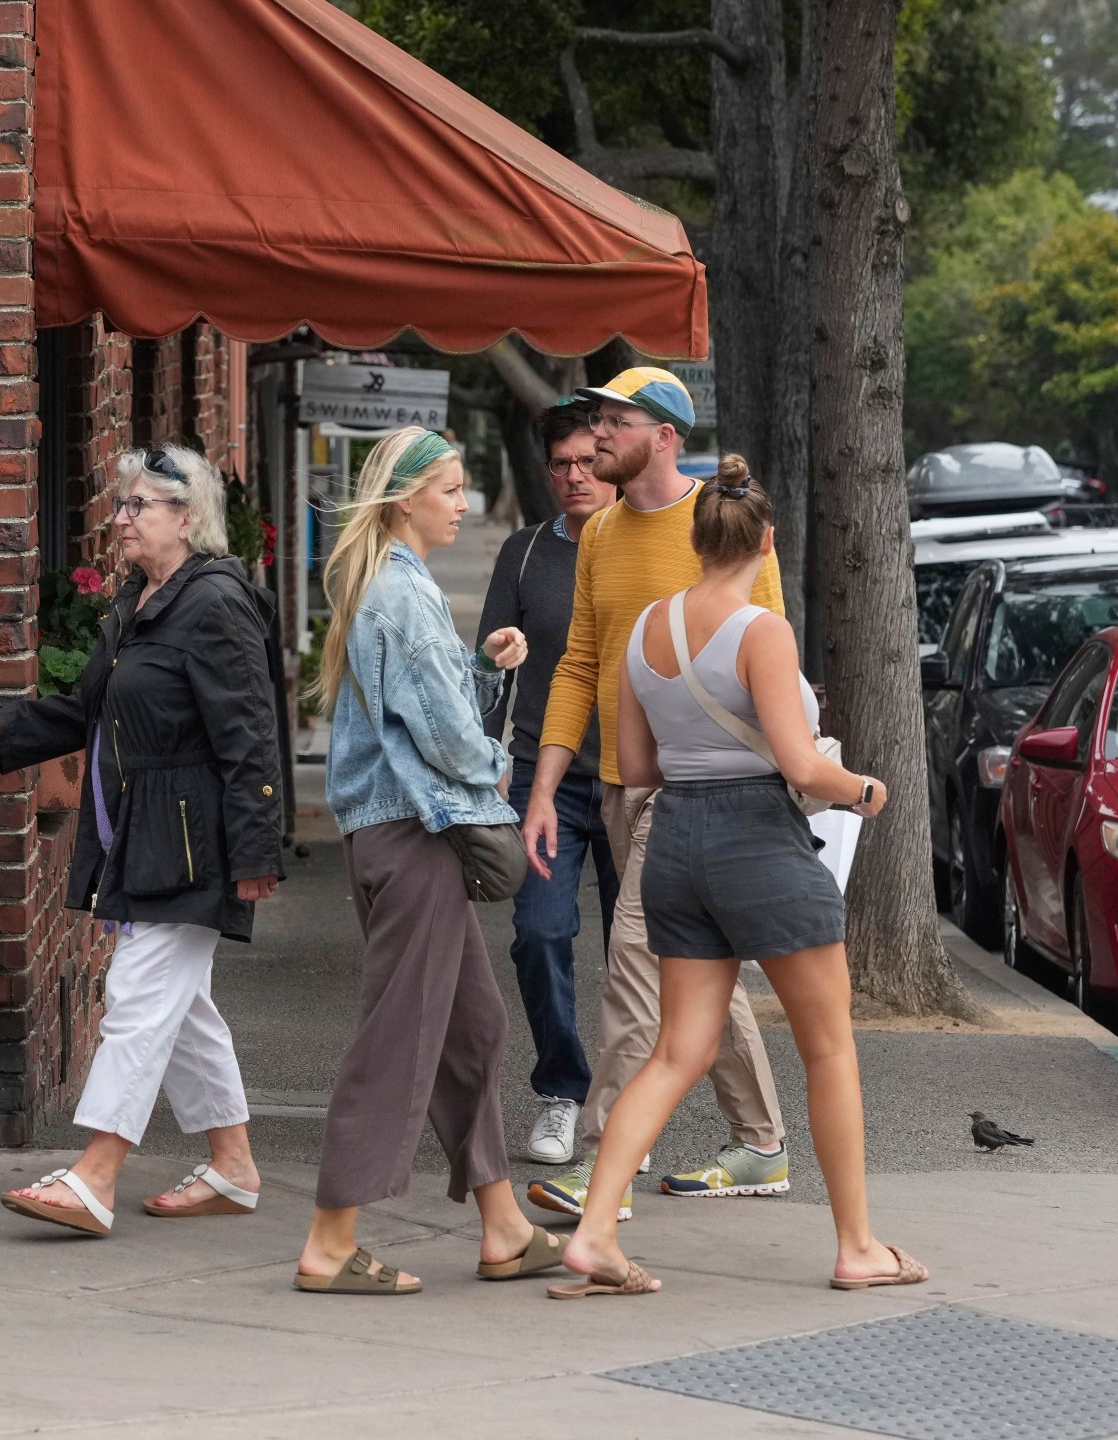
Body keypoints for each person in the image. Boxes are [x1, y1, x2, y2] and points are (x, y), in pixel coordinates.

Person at [550, 462, 922, 1299]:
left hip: (674, 837)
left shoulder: (648, 627)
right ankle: (856, 1245)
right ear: (765, 542)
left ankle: (596, 1231)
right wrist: (863, 791)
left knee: (679, 1049)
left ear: (692, 539)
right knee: (828, 1046)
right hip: (758, 840)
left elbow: (637, 763)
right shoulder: (762, 631)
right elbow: (798, 764)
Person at [293, 426, 560, 1296]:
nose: (463, 503)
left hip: (396, 834)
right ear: (407, 498)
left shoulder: (391, 587)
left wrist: (481, 669)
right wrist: (499, 768)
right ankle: (331, 1241)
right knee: (399, 1040)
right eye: (449, 488)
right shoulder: (402, 594)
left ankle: (504, 1226)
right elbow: (448, 741)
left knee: (470, 1031)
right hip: (413, 838)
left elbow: (419, 714)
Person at [0, 445, 282, 1235]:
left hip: (195, 843)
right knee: (181, 1011)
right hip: (148, 835)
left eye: (139, 506)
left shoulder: (215, 602)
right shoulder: (142, 599)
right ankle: (233, 1166)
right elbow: (90, 708)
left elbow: (249, 738)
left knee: (139, 997)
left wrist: (256, 855)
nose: (119, 520)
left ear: (187, 519)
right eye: (119, 505)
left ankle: (95, 1174)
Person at [522, 368, 791, 1225]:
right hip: (617, 790)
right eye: (595, 419)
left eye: (614, 420)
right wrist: (542, 791)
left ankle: (604, 1165)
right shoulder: (599, 532)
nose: (596, 434)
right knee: (698, 977)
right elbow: (579, 663)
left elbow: (768, 647)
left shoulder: (723, 522)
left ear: (666, 434)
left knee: (634, 977)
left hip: (699, 796)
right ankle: (761, 1146)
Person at [479, 400, 620, 1166]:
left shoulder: (648, 545)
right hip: (545, 777)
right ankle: (562, 1093)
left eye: (588, 461)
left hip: (637, 775)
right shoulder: (525, 556)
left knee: (657, 953)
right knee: (539, 934)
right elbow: (490, 673)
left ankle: (632, 1096)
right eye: (561, 464)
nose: (575, 476)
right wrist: (487, 763)